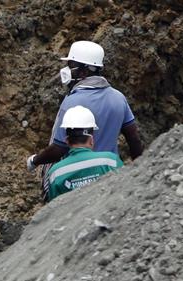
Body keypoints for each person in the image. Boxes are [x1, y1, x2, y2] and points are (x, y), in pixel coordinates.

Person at [27, 40, 143, 199]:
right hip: (109, 174)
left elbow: (58, 150)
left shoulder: (71, 103)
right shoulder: (118, 98)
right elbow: (134, 139)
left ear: (83, 72)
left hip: (75, 178)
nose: (67, 70)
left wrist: (34, 161)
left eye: (71, 66)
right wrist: (141, 172)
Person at [46, 106, 124, 201]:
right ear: (91, 140)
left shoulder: (55, 173)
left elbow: (53, 209)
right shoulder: (111, 161)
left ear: (67, 141)